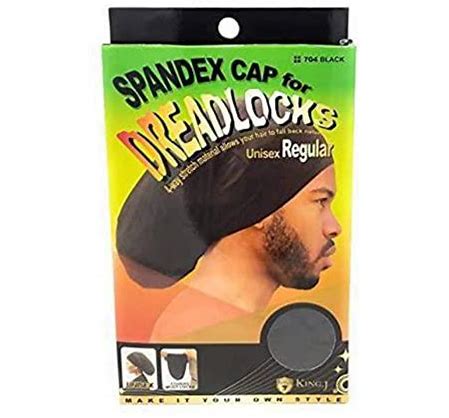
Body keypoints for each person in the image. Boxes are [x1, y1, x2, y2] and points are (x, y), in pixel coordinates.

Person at [116, 101, 341, 341]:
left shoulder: (224, 324)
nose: (335, 228)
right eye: (320, 201)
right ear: (262, 207)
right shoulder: (201, 330)